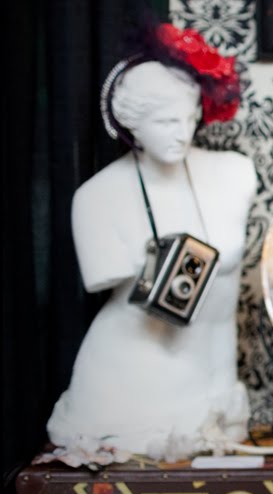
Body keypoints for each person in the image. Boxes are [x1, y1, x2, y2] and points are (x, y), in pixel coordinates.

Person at [46, 24, 254, 462]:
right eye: (165, 121)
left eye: (189, 118)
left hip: (210, 383)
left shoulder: (234, 174)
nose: (182, 133)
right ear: (131, 125)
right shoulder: (96, 198)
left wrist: (224, 389)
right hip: (124, 385)